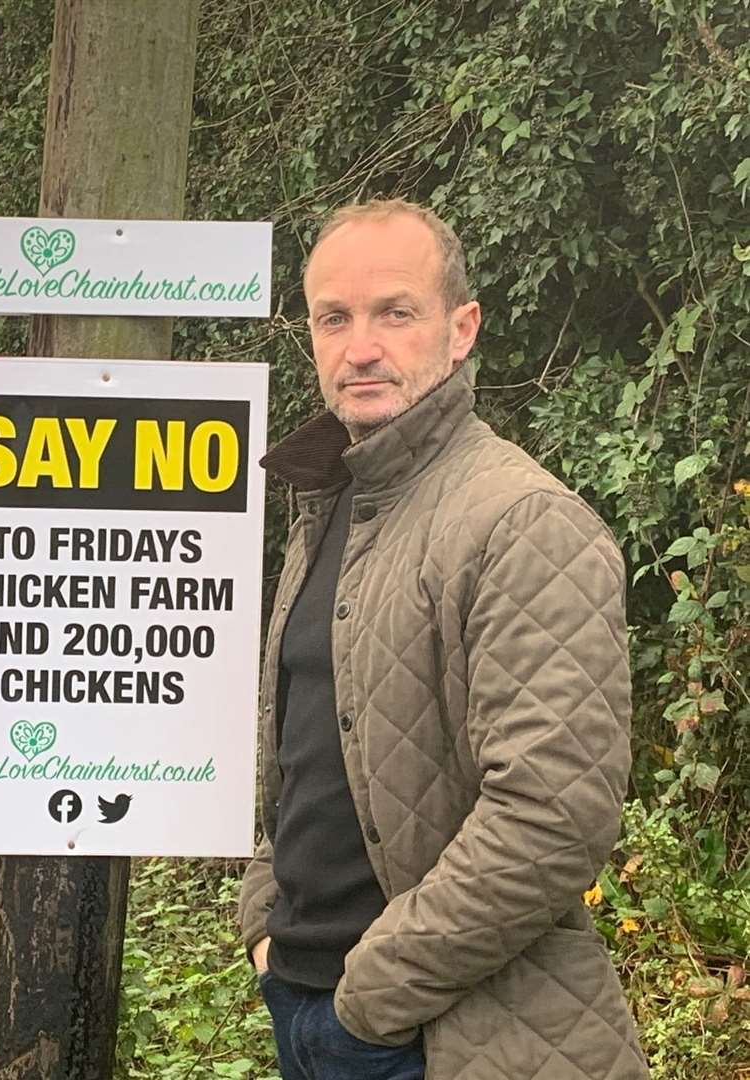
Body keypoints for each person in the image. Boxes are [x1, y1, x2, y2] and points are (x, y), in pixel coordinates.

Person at [239, 198, 648, 1080]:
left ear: (460, 329)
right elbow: (309, 758)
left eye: (395, 312)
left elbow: (552, 817)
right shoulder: (330, 503)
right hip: (308, 1010)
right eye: (334, 318)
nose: (361, 348)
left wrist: (369, 1004)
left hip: (442, 1038)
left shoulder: (522, 521)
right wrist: (264, 928)